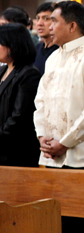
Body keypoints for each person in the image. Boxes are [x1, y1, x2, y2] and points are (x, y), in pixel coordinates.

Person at [34, 1, 84, 169]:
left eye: (54, 21)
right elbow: (40, 100)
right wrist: (42, 136)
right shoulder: (53, 58)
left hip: (82, 154)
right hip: (51, 151)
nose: (49, 27)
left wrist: (64, 143)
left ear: (72, 26)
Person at [0, 24, 41, 167]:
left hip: (16, 150)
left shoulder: (28, 73)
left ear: (12, 45)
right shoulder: (3, 70)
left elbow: (20, 116)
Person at [34, 2, 59, 76]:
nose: (39, 23)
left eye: (46, 19)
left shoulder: (60, 50)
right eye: (38, 18)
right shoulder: (36, 48)